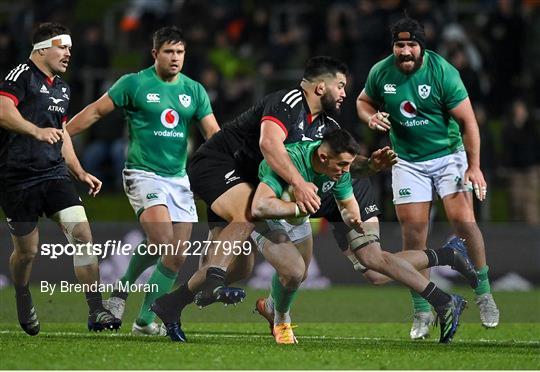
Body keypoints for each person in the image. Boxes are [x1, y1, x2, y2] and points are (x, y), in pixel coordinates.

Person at [148, 56, 398, 342]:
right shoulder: (287, 102)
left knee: (252, 268)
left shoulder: (325, 125)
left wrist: (371, 166)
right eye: (340, 86)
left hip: (253, 183)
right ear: (319, 87)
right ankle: (213, 281)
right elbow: (269, 144)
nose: (344, 94)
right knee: (247, 214)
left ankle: (172, 303)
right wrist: (299, 183)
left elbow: (340, 163)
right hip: (220, 164)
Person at [249, 129, 475, 344]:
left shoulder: (342, 171)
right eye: (343, 164)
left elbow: (348, 204)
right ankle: (447, 256)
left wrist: (353, 219)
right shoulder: (287, 162)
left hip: (336, 199)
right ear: (323, 156)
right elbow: (260, 205)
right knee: (373, 275)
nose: (346, 169)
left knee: (372, 260)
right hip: (308, 203)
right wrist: (301, 209)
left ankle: (443, 299)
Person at [66, 26, 220, 336]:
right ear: (155, 54)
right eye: (169, 52)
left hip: (178, 179)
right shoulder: (134, 83)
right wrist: (63, 134)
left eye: (180, 52)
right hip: (142, 173)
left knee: (176, 256)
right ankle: (121, 292)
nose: (175, 58)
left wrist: (225, 169)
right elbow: (96, 112)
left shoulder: (194, 90)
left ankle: (145, 320)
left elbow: (213, 134)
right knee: (163, 241)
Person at [356, 16, 500, 339]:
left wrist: (474, 167)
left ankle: (484, 292)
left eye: (411, 45)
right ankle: (422, 310)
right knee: (414, 234)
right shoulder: (381, 72)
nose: (405, 51)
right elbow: (362, 102)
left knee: (464, 222)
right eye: (399, 45)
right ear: (393, 46)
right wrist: (370, 117)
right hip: (406, 160)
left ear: (422, 46)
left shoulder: (443, 72)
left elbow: (470, 123)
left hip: (448, 156)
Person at [0, 22, 120, 335]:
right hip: (17, 177)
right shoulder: (20, 75)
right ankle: (23, 297)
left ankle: (97, 310)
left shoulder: (62, 88)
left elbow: (62, 132)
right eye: (61, 46)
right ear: (41, 49)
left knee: (82, 234)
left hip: (53, 174)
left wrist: (79, 171)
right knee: (26, 252)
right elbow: (2, 110)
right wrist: (34, 130)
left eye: (69, 47)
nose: (68, 53)